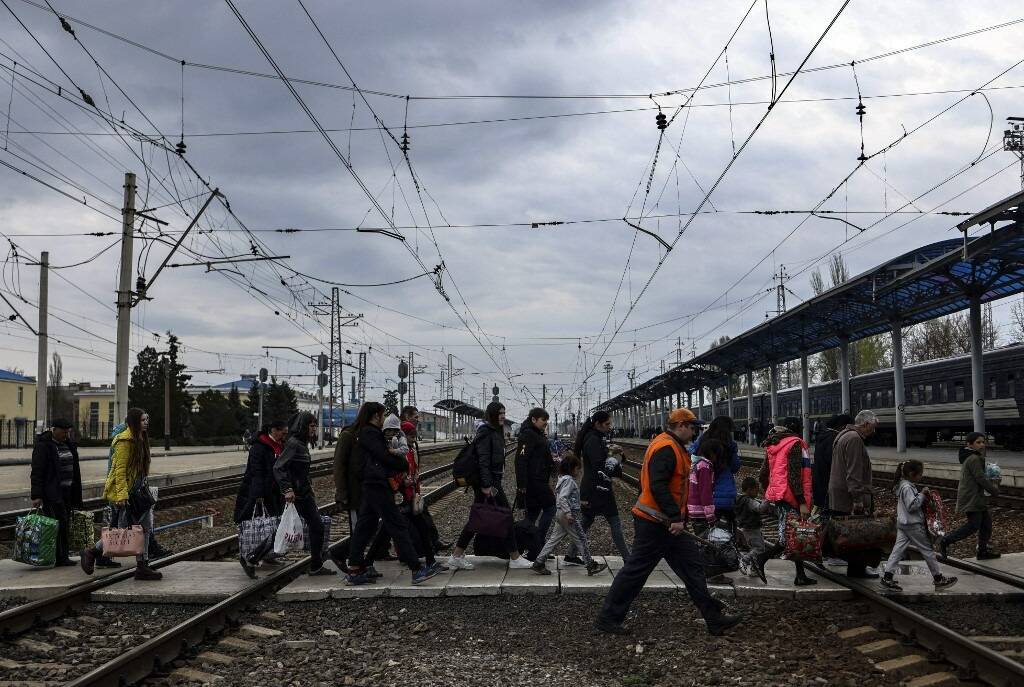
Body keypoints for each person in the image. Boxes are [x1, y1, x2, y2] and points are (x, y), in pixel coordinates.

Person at [595, 408, 740, 636]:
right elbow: (658, 485)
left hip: (666, 523)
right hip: (655, 522)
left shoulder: (672, 445)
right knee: (636, 571)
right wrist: (675, 516)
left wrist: (678, 518)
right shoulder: (667, 448)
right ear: (681, 425)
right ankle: (607, 617)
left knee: (693, 568)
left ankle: (714, 618)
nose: (695, 433)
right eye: (692, 428)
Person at [344, 403, 440, 585]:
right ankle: (416, 569)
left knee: (366, 526)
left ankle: (355, 569)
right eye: (382, 415)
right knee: (397, 525)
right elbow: (384, 456)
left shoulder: (368, 433)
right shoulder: (370, 433)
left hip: (373, 484)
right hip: (377, 485)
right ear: (375, 416)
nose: (383, 419)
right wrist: (403, 465)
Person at [448, 402, 533, 570]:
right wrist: (486, 485)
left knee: (480, 517)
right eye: (500, 413)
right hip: (487, 483)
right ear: (492, 414)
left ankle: (456, 555)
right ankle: (515, 557)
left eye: (504, 412)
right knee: (505, 515)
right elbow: (483, 460)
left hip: (491, 481)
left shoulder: (494, 431)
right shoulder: (486, 432)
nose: (502, 415)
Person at [80, 408, 161, 580]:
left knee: (145, 529)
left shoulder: (141, 438)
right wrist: (122, 495)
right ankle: (92, 551)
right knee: (120, 531)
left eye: (147, 419)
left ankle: (142, 565)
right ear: (133, 422)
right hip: (127, 494)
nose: (146, 422)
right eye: (142, 420)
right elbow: (119, 470)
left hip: (139, 492)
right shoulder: (124, 441)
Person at [756, 418, 817, 586]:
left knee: (795, 534)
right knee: (789, 538)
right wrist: (802, 501)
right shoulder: (796, 444)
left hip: (781, 494)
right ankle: (760, 559)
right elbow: (795, 476)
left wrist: (769, 493)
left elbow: (764, 473)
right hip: (792, 497)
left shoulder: (776, 445)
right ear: (798, 429)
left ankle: (801, 575)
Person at [880, 460, 958, 591]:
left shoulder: (902, 485)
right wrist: (922, 494)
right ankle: (938, 579)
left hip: (903, 524)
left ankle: (887, 576)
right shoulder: (907, 487)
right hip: (913, 524)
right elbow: (912, 505)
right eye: (920, 474)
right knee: (927, 550)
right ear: (911, 474)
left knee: (897, 550)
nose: (921, 476)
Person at [274, 411, 334, 576]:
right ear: (303, 426)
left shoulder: (301, 444)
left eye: (315, 425)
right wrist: (287, 489)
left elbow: (300, 470)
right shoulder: (294, 444)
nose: (314, 429)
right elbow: (279, 467)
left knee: (316, 526)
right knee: (290, 527)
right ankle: (255, 555)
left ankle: (316, 565)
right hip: (295, 495)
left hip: (303, 493)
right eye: (311, 425)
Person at [566, 411, 629, 565]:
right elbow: (601, 466)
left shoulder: (594, 438)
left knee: (587, 521)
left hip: (595, 488)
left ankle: (571, 554)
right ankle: (628, 558)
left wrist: (612, 453)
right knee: (613, 521)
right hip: (597, 489)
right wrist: (616, 459)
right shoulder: (593, 440)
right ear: (597, 424)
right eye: (607, 424)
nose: (610, 427)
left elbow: (601, 462)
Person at [532, 452, 607, 576]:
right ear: (571, 468)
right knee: (581, 539)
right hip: (568, 515)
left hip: (561, 514)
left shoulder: (562, 479)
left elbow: (565, 498)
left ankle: (539, 562)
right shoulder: (569, 481)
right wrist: (568, 513)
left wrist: (580, 503)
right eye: (577, 468)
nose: (578, 471)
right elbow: (562, 498)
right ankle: (590, 565)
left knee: (553, 540)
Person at [827, 410, 882, 578]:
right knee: (858, 533)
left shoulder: (843, 435)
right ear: (865, 424)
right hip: (848, 495)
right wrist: (858, 499)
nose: (874, 432)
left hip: (839, 492)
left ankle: (855, 567)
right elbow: (854, 473)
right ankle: (857, 570)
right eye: (873, 427)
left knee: (849, 533)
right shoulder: (854, 439)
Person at [236, 420, 287, 578]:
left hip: (274, 492)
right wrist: (258, 495)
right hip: (260, 493)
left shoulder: (279, 445)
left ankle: (268, 557)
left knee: (272, 524)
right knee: (263, 527)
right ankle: (251, 556)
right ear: (273, 430)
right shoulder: (259, 447)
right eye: (282, 432)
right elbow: (256, 472)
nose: (284, 436)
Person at [940, 432, 1001, 560]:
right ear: (969, 444)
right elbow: (980, 478)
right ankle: (945, 541)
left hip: (976, 497)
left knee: (986, 525)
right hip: (972, 498)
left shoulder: (971, 457)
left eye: (983, 442)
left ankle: (982, 552)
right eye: (978, 442)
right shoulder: (973, 458)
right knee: (974, 525)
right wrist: (994, 490)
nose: (982, 445)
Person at [30, 418, 82, 566]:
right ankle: (60, 557)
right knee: (60, 523)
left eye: (68, 432)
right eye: (63, 432)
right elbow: (37, 472)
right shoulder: (44, 446)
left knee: (64, 524)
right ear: (54, 430)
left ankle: (61, 555)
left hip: (68, 492)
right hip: (52, 493)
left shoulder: (69, 445)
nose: (66, 435)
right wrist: (37, 495)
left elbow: (75, 470)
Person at [691, 417, 741, 532]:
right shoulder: (729, 445)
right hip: (726, 496)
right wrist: (733, 451)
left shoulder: (701, 442)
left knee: (709, 533)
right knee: (731, 529)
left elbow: (692, 459)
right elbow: (735, 467)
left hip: (705, 497)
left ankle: (710, 548)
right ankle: (730, 544)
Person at [516, 408, 556, 544]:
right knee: (551, 508)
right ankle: (538, 542)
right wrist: (521, 484)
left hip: (538, 479)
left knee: (532, 515)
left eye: (546, 420)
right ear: (533, 419)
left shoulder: (537, 433)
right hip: (534, 481)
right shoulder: (528, 434)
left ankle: (523, 546)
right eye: (543, 420)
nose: (546, 423)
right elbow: (521, 460)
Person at [812, 414, 852, 513]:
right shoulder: (835, 439)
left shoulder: (822, 437)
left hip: (820, 482)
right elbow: (834, 464)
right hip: (830, 486)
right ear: (843, 426)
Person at [687, 437, 726, 537]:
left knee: (702, 537)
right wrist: (710, 516)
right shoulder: (705, 467)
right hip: (700, 511)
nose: (717, 459)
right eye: (717, 455)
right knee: (704, 539)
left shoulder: (698, 464)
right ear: (712, 453)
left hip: (695, 509)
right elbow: (705, 492)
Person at [735, 476, 773, 580]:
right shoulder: (749, 501)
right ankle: (744, 560)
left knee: (755, 548)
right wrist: (768, 499)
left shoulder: (741, 499)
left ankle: (754, 569)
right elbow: (760, 508)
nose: (758, 491)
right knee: (759, 548)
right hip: (752, 529)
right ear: (749, 489)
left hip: (747, 529)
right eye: (756, 489)